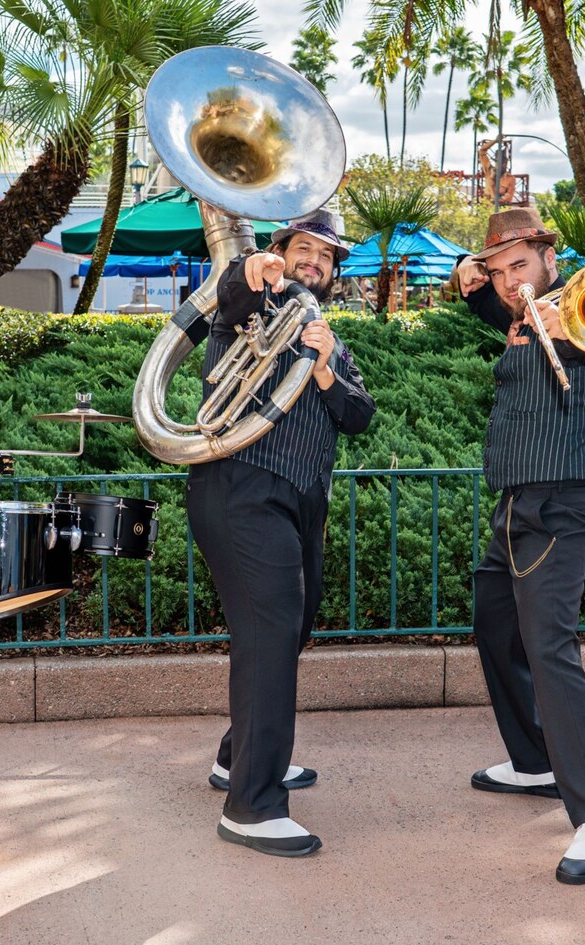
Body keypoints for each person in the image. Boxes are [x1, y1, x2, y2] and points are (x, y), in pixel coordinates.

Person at [450, 207, 585, 885]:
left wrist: (571, 323)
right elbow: (472, 292)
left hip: (562, 506)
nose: (506, 280)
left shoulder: (584, 310)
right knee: (495, 627)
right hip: (512, 508)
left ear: (550, 259)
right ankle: (534, 761)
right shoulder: (515, 314)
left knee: (551, 651)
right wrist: (464, 273)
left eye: (518, 265)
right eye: (498, 269)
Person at [189, 209, 376, 857]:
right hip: (240, 486)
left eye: (327, 257)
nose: (314, 262)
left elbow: (359, 414)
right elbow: (229, 289)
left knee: (289, 630)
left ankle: (235, 759)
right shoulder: (248, 305)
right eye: (305, 249)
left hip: (300, 504)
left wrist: (326, 369)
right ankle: (254, 803)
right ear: (282, 251)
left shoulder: (329, 335)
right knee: (271, 630)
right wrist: (246, 271)